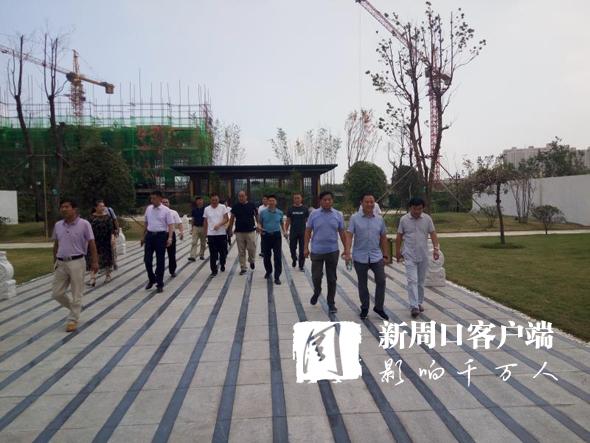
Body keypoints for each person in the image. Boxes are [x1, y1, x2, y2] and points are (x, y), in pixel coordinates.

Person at [52, 198, 98, 332]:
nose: (63, 209)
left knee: (76, 292)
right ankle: (75, 308)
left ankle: (72, 319)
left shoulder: (84, 224)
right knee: (57, 293)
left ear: (74, 209)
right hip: (61, 262)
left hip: (77, 262)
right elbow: (56, 244)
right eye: (62, 207)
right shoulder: (58, 225)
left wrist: (95, 261)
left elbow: (92, 243)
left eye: (67, 207)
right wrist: (54, 260)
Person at [344, 193, 389, 320]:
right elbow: (349, 235)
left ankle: (379, 307)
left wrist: (385, 254)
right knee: (362, 283)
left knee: (381, 280)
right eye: (367, 202)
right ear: (362, 203)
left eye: (371, 202)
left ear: (374, 203)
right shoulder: (355, 218)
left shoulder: (379, 219)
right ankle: (364, 307)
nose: (369, 204)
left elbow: (383, 237)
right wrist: (347, 252)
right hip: (360, 256)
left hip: (376, 256)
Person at [395, 196, 440, 318]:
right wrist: (397, 251)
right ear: (410, 207)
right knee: (412, 280)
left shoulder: (427, 219)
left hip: (423, 255)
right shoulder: (404, 220)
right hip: (409, 255)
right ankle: (414, 306)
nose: (417, 211)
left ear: (423, 208)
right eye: (415, 208)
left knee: (420, 281)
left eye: (419, 209)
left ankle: (419, 302)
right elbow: (399, 236)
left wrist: (436, 249)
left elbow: (433, 234)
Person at [304, 191, 346, 313]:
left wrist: (347, 249)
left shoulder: (338, 214)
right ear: (320, 201)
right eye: (325, 200)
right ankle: (317, 291)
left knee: (332, 278)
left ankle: (331, 303)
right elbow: (308, 231)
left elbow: (342, 232)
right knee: (316, 276)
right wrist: (305, 248)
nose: (327, 202)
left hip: (332, 251)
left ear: (332, 201)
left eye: (329, 199)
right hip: (317, 251)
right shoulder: (314, 214)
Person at [141, 190, 175, 293]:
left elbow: (170, 225)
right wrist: (143, 236)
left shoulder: (166, 210)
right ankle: (152, 278)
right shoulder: (149, 209)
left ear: (160, 198)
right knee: (147, 260)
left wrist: (170, 238)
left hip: (161, 236)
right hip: (150, 236)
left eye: (154, 198)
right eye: (151, 198)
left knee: (160, 260)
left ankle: (159, 283)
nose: (152, 200)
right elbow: (146, 223)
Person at [86, 200, 116, 286]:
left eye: (103, 206)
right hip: (94, 240)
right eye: (100, 206)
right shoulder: (91, 218)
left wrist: (112, 238)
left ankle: (108, 275)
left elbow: (111, 229)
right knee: (92, 257)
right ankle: (92, 277)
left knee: (106, 257)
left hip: (105, 240)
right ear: (95, 207)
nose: (102, 208)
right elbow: (87, 230)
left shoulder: (107, 217)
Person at [229, 190, 258, 275]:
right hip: (239, 232)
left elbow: (256, 215)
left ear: (246, 197)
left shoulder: (252, 205)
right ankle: (243, 267)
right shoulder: (235, 206)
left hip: (250, 231)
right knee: (241, 251)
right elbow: (232, 218)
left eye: (242, 196)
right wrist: (230, 229)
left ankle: (251, 260)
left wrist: (259, 224)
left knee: (252, 248)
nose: (241, 198)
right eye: (239, 196)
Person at [258, 194, 284, 285]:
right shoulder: (263, 212)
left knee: (277, 256)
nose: (271, 202)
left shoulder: (280, 212)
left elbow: (281, 223)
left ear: (276, 202)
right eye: (270, 200)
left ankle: (277, 277)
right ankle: (268, 271)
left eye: (273, 200)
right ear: (267, 202)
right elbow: (259, 223)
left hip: (276, 236)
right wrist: (259, 227)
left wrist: (284, 232)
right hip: (266, 235)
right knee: (266, 256)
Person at [203, 193, 230, 276]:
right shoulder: (207, 209)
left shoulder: (222, 207)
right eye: (213, 200)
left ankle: (222, 263)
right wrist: (205, 233)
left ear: (218, 200)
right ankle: (213, 270)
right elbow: (205, 222)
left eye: (216, 200)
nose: (214, 201)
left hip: (221, 233)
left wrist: (219, 224)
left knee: (223, 252)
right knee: (213, 253)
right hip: (211, 234)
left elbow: (226, 219)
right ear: (210, 200)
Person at [284, 192, 309, 271]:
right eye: (295, 198)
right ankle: (294, 258)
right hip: (293, 231)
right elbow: (288, 221)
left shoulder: (305, 208)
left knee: (302, 249)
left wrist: (309, 232)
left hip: (302, 232)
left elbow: (307, 221)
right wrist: (285, 231)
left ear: (301, 199)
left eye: (298, 198)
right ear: (293, 199)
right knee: (292, 248)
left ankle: (301, 265)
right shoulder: (290, 209)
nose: (297, 199)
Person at [162, 198, 184, 277]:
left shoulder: (174, 212)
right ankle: (160, 271)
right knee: (160, 254)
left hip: (171, 234)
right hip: (161, 235)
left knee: (171, 254)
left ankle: (172, 270)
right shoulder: (158, 212)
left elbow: (179, 223)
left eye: (166, 202)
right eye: (163, 202)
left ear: (169, 203)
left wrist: (181, 232)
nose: (165, 203)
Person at [189, 196, 207, 261]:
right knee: (194, 242)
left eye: (200, 200)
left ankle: (201, 255)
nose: (199, 202)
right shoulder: (194, 210)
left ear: (203, 201)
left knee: (203, 243)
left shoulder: (206, 209)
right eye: (198, 200)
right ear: (196, 202)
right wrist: (192, 228)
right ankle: (193, 256)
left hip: (203, 227)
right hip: (195, 227)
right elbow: (193, 219)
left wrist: (207, 229)